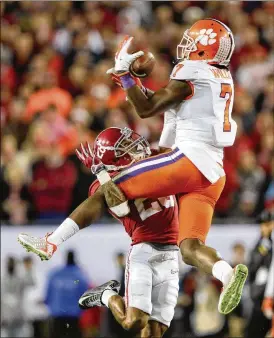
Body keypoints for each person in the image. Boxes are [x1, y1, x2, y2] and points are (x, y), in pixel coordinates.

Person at [101, 18, 248, 316]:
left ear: (205, 48)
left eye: (194, 42)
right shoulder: (222, 76)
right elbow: (168, 131)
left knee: (112, 182)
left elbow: (146, 109)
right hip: (212, 175)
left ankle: (57, 239)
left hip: (189, 163)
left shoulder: (191, 71)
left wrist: (125, 76)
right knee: (190, 248)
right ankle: (226, 274)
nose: (188, 47)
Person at [18, 127, 180, 338]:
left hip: (171, 253)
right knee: (134, 322)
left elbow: (169, 139)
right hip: (145, 251)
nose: (136, 146)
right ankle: (106, 295)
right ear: (116, 159)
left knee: (155, 331)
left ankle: (53, 243)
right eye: (125, 147)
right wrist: (102, 174)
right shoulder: (106, 185)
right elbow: (120, 206)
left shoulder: (151, 159)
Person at [44, 250, 89, 338]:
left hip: (57, 315)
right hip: (74, 316)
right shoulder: (80, 275)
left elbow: (47, 296)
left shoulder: (55, 274)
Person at [245, 210, 273, 338]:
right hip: (260, 293)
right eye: (262, 224)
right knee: (256, 327)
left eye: (268, 224)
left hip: (269, 292)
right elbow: (252, 266)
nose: (264, 227)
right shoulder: (260, 244)